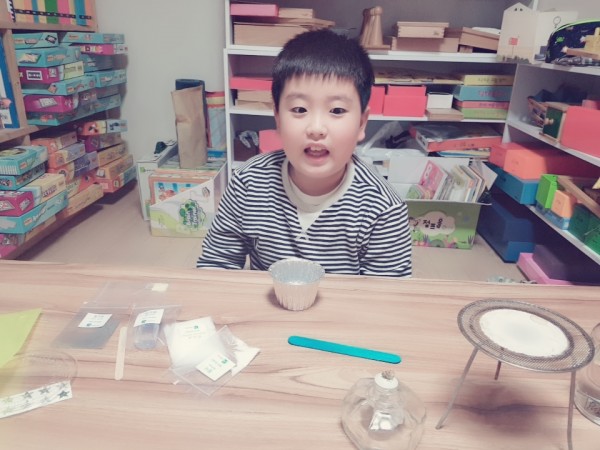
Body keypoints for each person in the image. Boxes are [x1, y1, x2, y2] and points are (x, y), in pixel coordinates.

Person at [197, 28, 412, 277]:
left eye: (337, 111)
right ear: (278, 118)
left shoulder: (383, 208)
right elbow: (215, 266)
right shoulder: (248, 183)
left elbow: (385, 294)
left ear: (362, 123)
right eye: (299, 109)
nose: (316, 128)